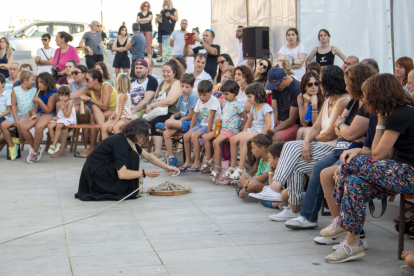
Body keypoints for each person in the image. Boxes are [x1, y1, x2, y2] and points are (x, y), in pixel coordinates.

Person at [319, 74, 414, 263]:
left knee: (350, 166)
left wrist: (353, 163)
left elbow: (378, 155)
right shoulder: (393, 113)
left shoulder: (402, 113)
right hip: (396, 171)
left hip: (408, 174)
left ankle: (343, 221)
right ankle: (354, 244)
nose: (365, 99)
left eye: (367, 94)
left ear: (380, 93)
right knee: (354, 183)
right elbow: (384, 154)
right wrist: (359, 150)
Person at [249, 65, 350, 222]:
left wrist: (309, 141)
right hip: (322, 144)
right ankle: (293, 208)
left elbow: (330, 133)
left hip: (333, 148)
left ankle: (275, 187)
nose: (318, 85)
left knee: (289, 146)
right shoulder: (330, 100)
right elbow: (316, 127)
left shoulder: (343, 100)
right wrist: (306, 142)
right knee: (296, 166)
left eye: (320, 82)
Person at [284, 64, 376, 232]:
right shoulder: (354, 102)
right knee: (305, 165)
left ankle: (343, 228)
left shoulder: (357, 103)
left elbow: (347, 132)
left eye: (348, 82)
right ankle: (303, 213)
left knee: (319, 167)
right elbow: (332, 128)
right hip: (345, 148)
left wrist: (341, 127)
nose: (346, 85)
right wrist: (309, 140)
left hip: (350, 149)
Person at [76, 119, 179, 201]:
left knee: (133, 154)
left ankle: (128, 188)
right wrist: (145, 173)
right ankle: (125, 189)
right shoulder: (121, 143)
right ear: (137, 134)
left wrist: (167, 167)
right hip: (95, 178)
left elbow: (148, 156)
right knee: (132, 156)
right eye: (145, 135)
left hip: (98, 171)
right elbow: (122, 174)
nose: (146, 138)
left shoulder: (127, 140)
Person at [224, 83, 273, 179]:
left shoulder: (266, 107)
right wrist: (243, 132)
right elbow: (248, 122)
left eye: (250, 97)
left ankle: (241, 168)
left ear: (258, 95)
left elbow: (269, 125)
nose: (248, 99)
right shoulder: (253, 107)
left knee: (243, 140)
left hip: (261, 130)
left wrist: (260, 137)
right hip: (254, 129)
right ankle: (233, 166)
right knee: (234, 139)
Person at [202, 80, 247, 177]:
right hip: (223, 129)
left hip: (232, 130)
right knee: (206, 137)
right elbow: (224, 116)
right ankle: (209, 159)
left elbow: (245, 118)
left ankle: (217, 166)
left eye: (227, 94)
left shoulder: (237, 104)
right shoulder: (226, 104)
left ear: (234, 93)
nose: (224, 96)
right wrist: (219, 120)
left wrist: (243, 130)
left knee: (216, 142)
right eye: (223, 94)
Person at [70, 69, 118, 157]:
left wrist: (90, 99)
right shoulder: (88, 89)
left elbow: (104, 106)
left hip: (115, 111)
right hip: (102, 114)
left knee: (93, 109)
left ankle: (102, 141)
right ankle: (95, 145)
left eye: (87, 79)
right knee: (93, 113)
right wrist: (59, 91)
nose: (85, 81)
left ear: (95, 80)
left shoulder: (106, 86)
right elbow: (71, 96)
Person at [146, 59, 184, 159]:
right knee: (146, 120)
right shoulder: (161, 83)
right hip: (161, 111)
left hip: (173, 113)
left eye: (168, 72)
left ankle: (158, 152)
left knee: (155, 121)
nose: (165, 74)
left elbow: (170, 101)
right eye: (164, 71)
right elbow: (155, 98)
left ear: (174, 73)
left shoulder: (176, 83)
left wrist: (152, 106)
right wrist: (150, 107)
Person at [181, 80, 221, 172]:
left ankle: (197, 161)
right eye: (200, 95)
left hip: (212, 126)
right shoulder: (199, 100)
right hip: (202, 124)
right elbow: (195, 115)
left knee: (195, 136)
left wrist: (207, 133)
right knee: (186, 136)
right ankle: (188, 161)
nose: (202, 97)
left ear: (211, 93)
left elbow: (211, 118)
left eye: (204, 95)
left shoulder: (213, 101)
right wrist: (190, 129)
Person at [162, 73, 200, 167]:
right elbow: (181, 112)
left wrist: (176, 122)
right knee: (166, 133)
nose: (184, 89)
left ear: (192, 87)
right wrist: (174, 116)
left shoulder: (193, 97)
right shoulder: (182, 96)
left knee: (168, 123)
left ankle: (166, 125)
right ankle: (172, 158)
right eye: (182, 86)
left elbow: (191, 116)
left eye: (187, 87)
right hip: (183, 122)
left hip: (192, 123)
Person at [19, 73, 58, 163]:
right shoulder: (39, 92)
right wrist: (33, 113)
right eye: (38, 82)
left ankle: (34, 152)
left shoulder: (53, 93)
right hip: (40, 113)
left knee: (38, 127)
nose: (39, 84)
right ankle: (36, 148)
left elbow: (48, 110)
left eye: (41, 82)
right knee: (23, 127)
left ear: (48, 82)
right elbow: (36, 108)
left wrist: (39, 100)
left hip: (50, 114)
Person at [1, 70, 36, 160]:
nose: (34, 82)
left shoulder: (34, 90)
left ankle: (22, 141)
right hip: (18, 114)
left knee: (20, 124)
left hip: (29, 115)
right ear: (25, 81)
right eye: (32, 80)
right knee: (3, 125)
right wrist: (15, 118)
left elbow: (36, 105)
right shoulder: (15, 90)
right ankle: (12, 145)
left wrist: (28, 114)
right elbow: (14, 105)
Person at [267, 67, 301, 142]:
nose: (275, 88)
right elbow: (274, 111)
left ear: (284, 78)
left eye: (277, 85)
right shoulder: (276, 87)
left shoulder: (297, 89)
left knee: (274, 138)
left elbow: (292, 119)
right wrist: (272, 126)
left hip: (293, 125)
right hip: (279, 121)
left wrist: (273, 130)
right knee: (259, 137)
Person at [237, 134, 272, 199]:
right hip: (259, 184)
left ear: (261, 148)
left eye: (253, 148)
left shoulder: (271, 162)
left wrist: (245, 185)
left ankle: (248, 191)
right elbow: (257, 177)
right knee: (242, 177)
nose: (251, 150)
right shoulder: (261, 160)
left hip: (268, 187)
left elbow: (262, 178)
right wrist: (246, 186)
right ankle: (248, 190)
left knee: (253, 183)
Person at [102, 74, 133, 139]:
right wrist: (113, 114)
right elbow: (118, 107)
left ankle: (120, 146)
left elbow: (120, 111)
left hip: (125, 117)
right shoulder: (120, 94)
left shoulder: (123, 95)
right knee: (104, 127)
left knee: (115, 128)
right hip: (119, 116)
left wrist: (113, 124)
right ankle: (105, 147)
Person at [47, 86, 76, 154]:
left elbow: (67, 115)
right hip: (61, 118)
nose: (63, 97)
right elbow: (58, 114)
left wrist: (63, 107)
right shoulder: (57, 103)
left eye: (65, 95)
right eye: (61, 95)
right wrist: (56, 117)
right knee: (50, 125)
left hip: (68, 118)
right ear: (59, 95)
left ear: (68, 96)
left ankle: (53, 145)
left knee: (59, 126)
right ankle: (56, 142)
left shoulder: (69, 103)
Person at [296, 71, 324, 140]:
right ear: (304, 87)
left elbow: (316, 124)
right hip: (308, 126)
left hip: (320, 127)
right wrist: (306, 103)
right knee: (301, 130)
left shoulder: (323, 96)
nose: (314, 87)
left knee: (303, 131)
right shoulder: (301, 97)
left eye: (316, 84)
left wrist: (314, 105)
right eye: (310, 84)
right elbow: (304, 123)